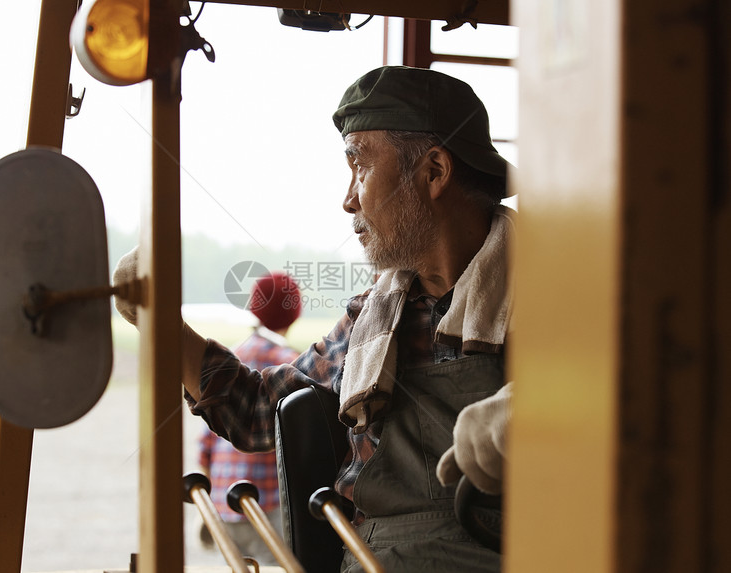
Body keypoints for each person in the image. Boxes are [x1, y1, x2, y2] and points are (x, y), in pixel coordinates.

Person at [115, 65, 514, 572]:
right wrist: (160, 324)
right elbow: (257, 411)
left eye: (361, 167)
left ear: (434, 171)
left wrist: (551, 411)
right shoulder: (376, 316)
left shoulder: (560, 295)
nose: (348, 198)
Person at [197, 272, 302, 563]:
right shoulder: (290, 363)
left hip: (223, 501)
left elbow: (205, 442)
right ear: (292, 316)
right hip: (265, 505)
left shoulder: (232, 357)